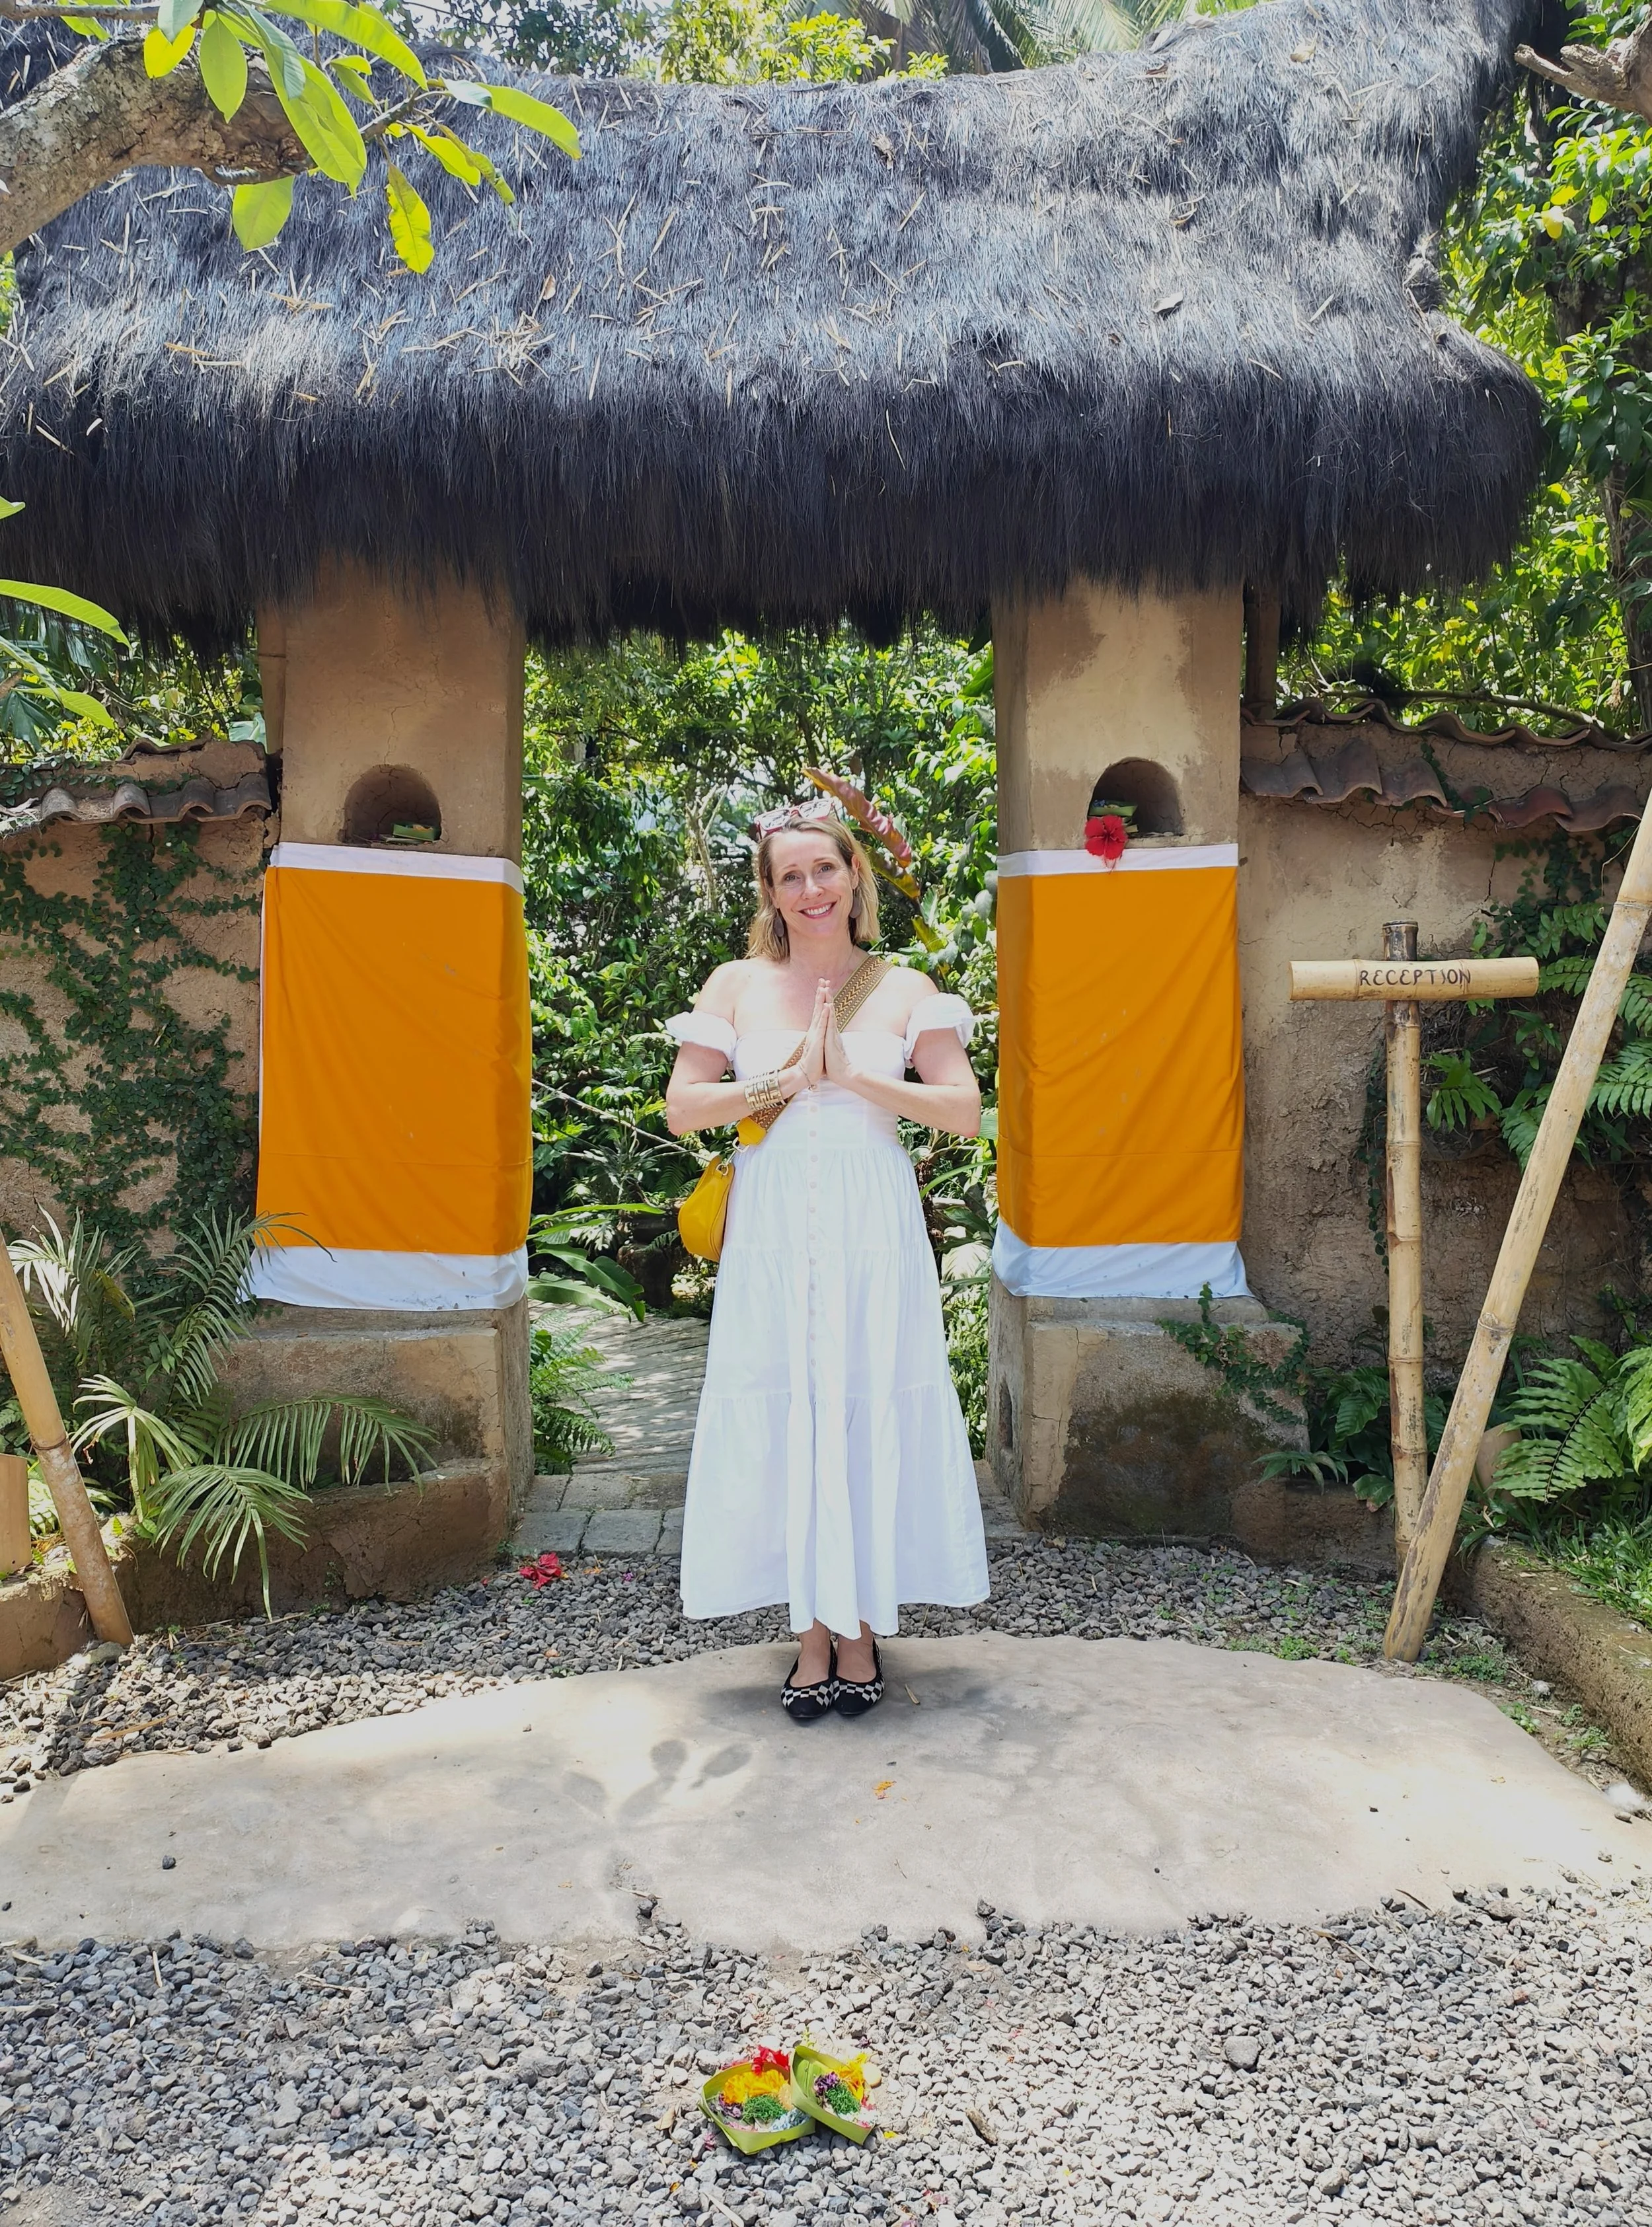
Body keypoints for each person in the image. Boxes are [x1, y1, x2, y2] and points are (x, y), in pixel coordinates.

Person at [664, 799, 989, 1723]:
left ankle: (858, 1628)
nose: (811, 889)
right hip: (773, 1230)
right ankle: (813, 1630)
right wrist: (783, 1079)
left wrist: (850, 1076)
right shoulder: (736, 983)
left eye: (826, 869)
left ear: (855, 875)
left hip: (869, 1223)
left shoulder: (904, 987)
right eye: (790, 875)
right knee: (793, 1403)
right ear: (769, 891)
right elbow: (684, 1108)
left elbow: (962, 1109)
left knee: (860, 1400)